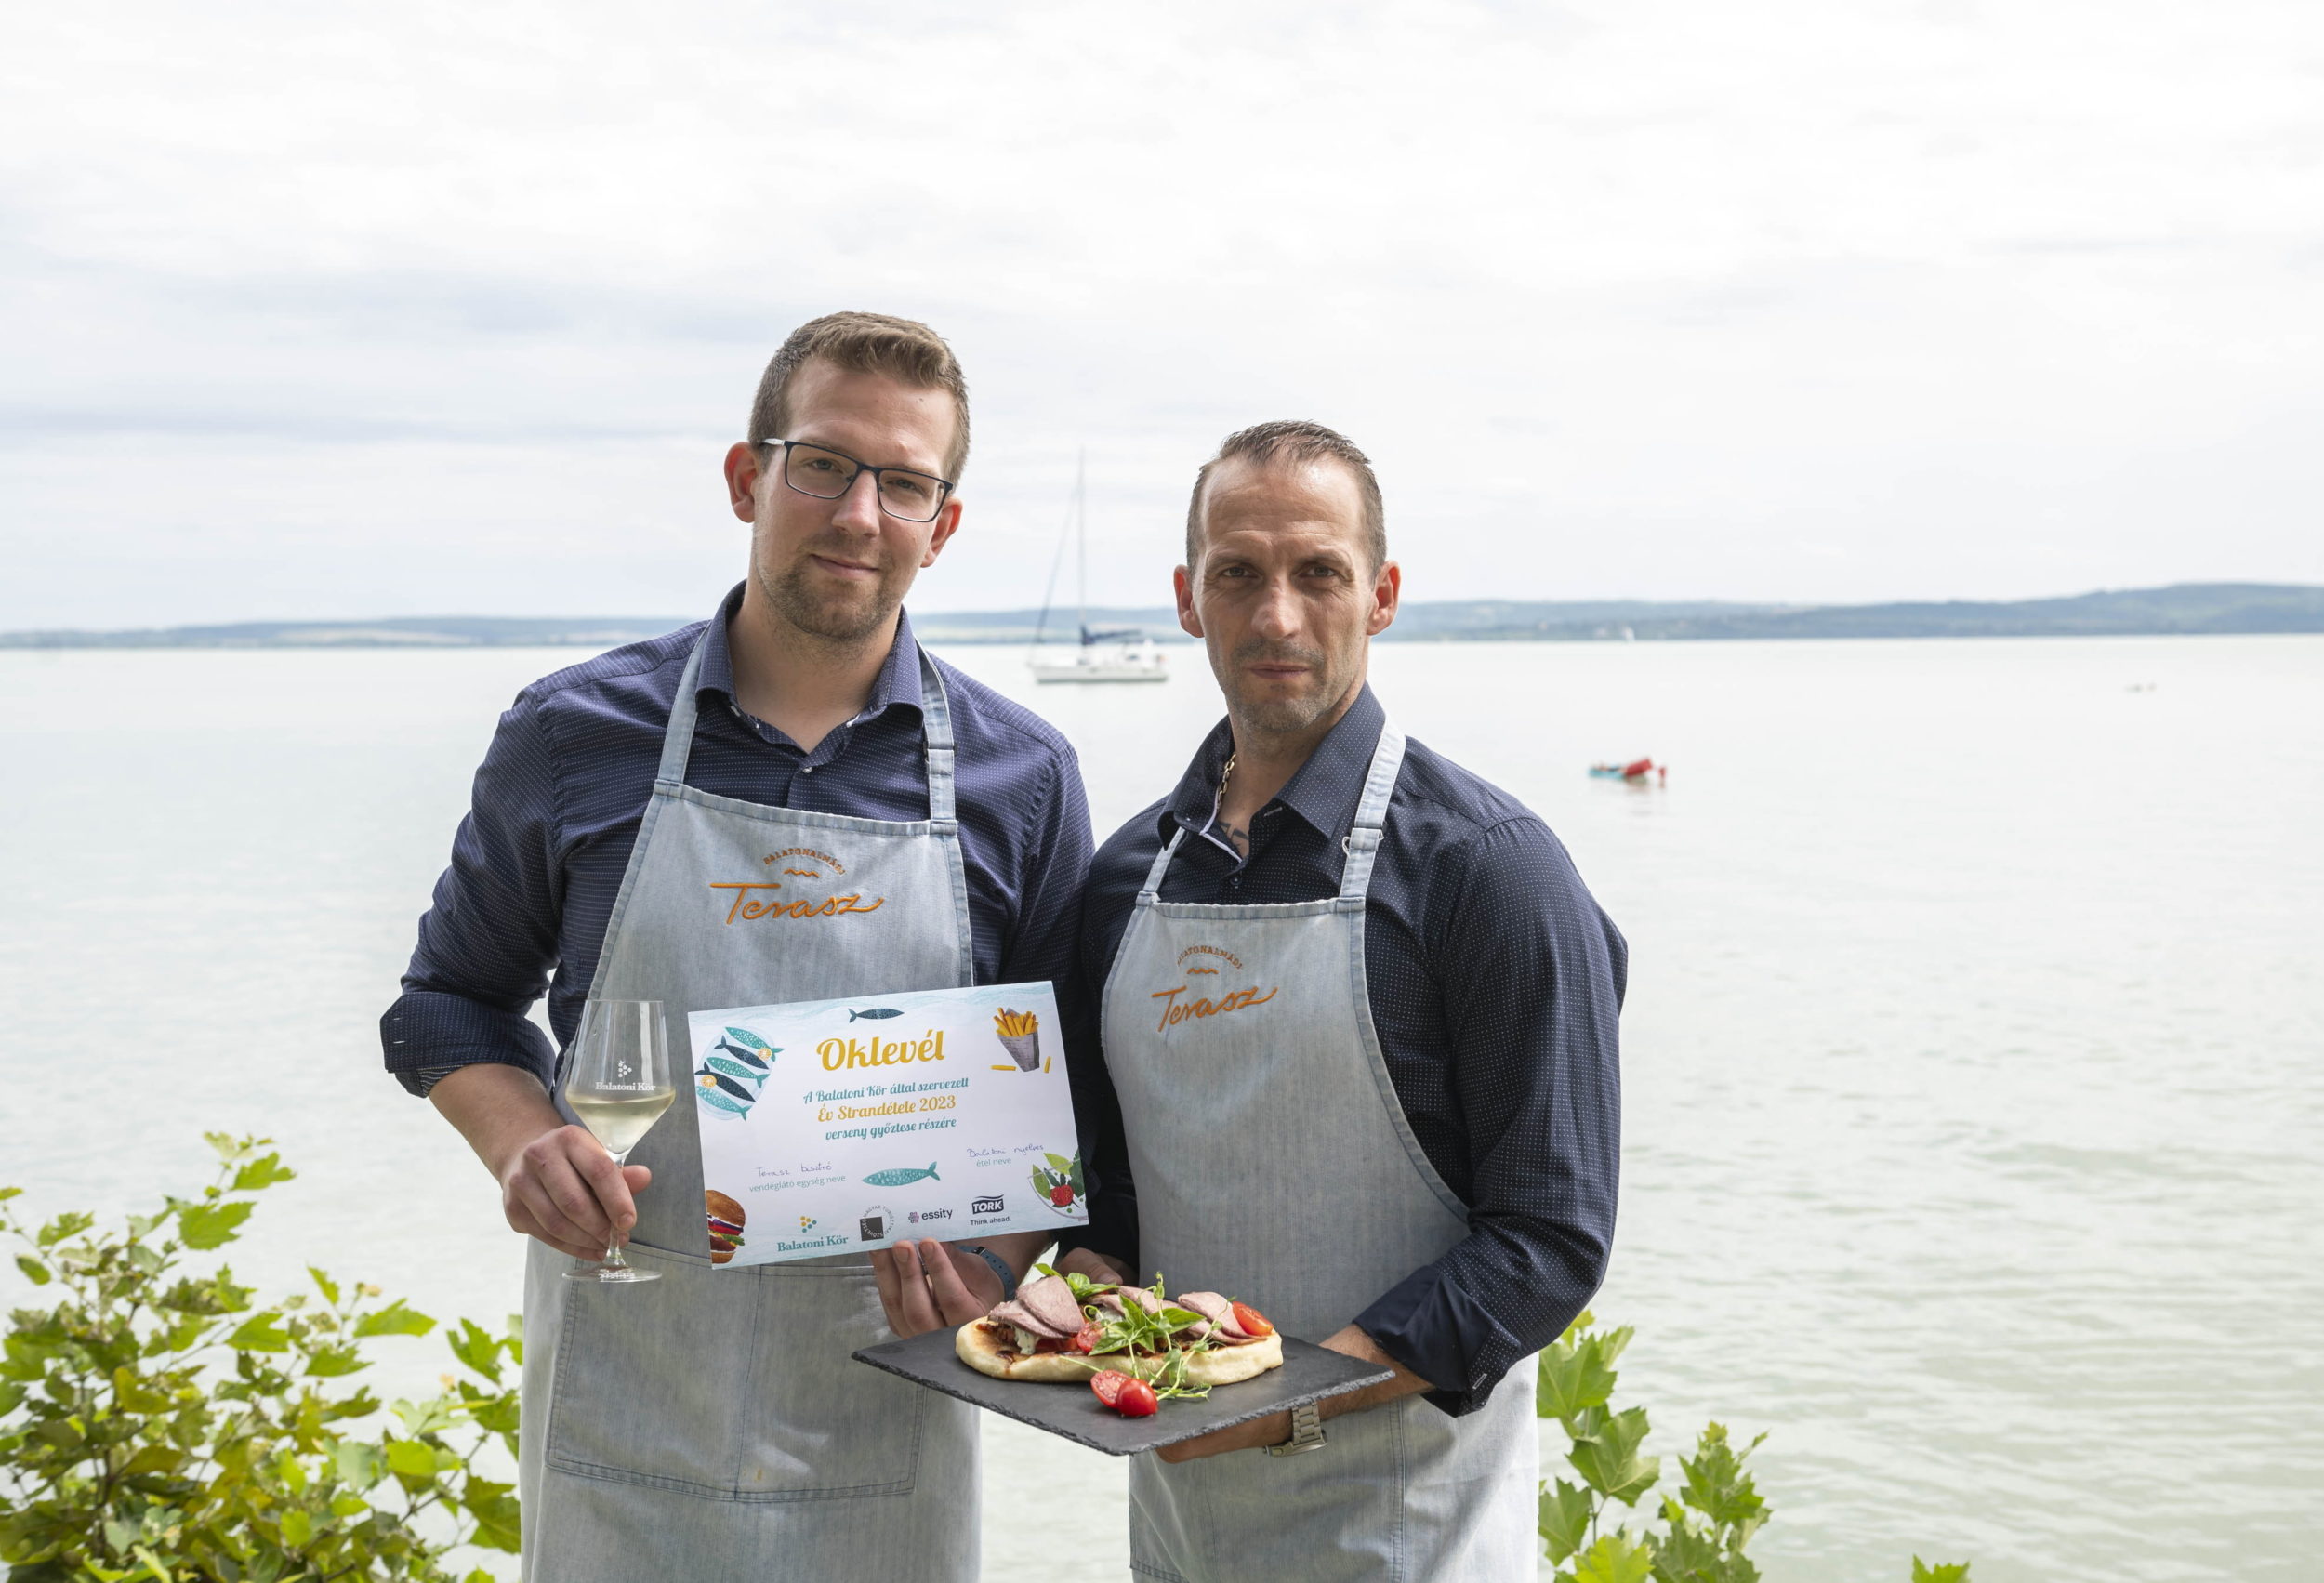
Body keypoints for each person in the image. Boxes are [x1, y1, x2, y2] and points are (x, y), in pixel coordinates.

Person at [380, 311, 1092, 1582]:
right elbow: (449, 1003)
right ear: (745, 476)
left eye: (906, 482)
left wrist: (993, 1267)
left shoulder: (1022, 778)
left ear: (945, 522)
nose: (859, 512)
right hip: (625, 1394)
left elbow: (1070, 1093)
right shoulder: (572, 732)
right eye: (821, 462)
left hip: (886, 1415)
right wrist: (524, 1141)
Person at [1071, 420, 1624, 1580]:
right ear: (1187, 597)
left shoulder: (1492, 871)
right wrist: (1078, 1288)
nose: (1276, 615)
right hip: (1177, 1532)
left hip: (1414, 1534)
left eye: (1317, 571)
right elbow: (1115, 1196)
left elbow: (1548, 1239)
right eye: (1238, 573)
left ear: (1380, 594)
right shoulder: (1124, 880)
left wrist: (1290, 1402)